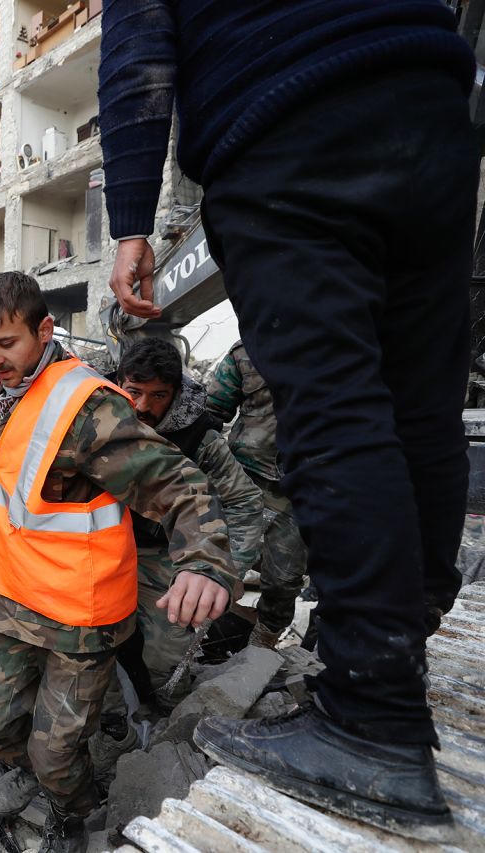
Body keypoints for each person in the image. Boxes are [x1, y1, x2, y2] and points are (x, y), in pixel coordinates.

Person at [98, 1, 475, 838]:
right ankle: (392, 650)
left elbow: (136, 53)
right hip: (432, 102)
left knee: (338, 410)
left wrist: (129, 220)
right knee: (421, 407)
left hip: (288, 122)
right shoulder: (180, 408)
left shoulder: (191, 426)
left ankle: (373, 718)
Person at [0, 273, 232, 853]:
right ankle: (35, 775)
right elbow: (41, 477)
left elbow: (179, 483)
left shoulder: (87, 407)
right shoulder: (18, 388)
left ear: (45, 329)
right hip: (14, 601)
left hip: (79, 621)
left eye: (4, 344)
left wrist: (204, 562)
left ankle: (72, 813)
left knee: (55, 754)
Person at [92, 338, 261, 777]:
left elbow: (242, 502)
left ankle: (170, 720)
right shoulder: (97, 412)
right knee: (92, 647)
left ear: (176, 393)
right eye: (135, 392)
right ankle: (113, 726)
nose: (144, 406)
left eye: (158, 395)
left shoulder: (198, 434)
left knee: (165, 662)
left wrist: (223, 573)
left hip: (163, 555)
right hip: (100, 550)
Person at [205, 340, 307, 649]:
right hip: (243, 479)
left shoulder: (340, 349)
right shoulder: (248, 350)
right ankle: (190, 633)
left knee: (284, 578)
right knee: (214, 558)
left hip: (302, 489)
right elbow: (212, 412)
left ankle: (263, 643)